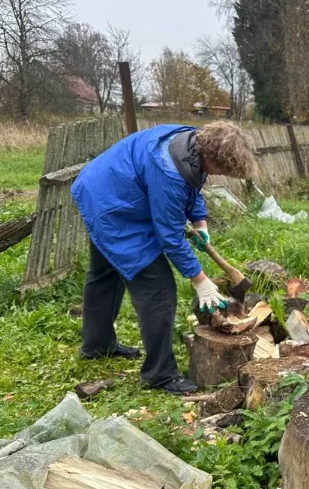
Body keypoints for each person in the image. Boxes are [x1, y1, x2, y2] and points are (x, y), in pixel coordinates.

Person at [71, 121, 258, 395]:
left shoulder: (191, 140)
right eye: (223, 169)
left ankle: (96, 345)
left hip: (101, 186)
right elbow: (169, 237)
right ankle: (159, 374)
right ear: (210, 156)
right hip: (112, 208)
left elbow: (192, 183)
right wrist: (200, 280)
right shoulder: (167, 171)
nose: (222, 175)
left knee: (105, 275)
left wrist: (200, 220)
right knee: (158, 290)